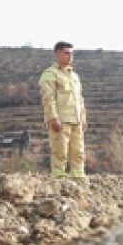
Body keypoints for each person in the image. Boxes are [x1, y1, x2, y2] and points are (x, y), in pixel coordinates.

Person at [38, 41, 87, 178]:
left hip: (76, 120)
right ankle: (59, 178)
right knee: (60, 152)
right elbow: (48, 98)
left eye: (71, 53)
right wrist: (53, 117)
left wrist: (83, 118)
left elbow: (80, 99)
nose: (70, 56)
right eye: (66, 53)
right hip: (61, 120)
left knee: (78, 152)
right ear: (57, 54)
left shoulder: (74, 76)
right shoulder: (50, 74)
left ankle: (78, 177)